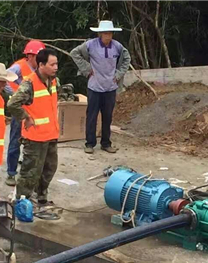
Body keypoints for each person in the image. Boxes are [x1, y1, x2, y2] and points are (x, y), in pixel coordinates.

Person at [7, 49, 59, 206]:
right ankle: (21, 202)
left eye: (57, 64)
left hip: (50, 134)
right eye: (52, 64)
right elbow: (12, 104)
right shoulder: (29, 83)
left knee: (49, 168)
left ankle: (41, 196)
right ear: (41, 65)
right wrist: (26, 117)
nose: (56, 67)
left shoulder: (54, 80)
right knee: (30, 172)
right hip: (35, 137)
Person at [70, 20, 130, 154]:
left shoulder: (117, 47)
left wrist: (119, 74)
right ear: (100, 34)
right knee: (92, 116)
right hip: (94, 86)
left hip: (110, 87)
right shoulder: (90, 45)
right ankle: (89, 143)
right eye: (105, 33)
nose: (108, 36)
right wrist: (86, 69)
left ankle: (106, 143)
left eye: (110, 33)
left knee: (107, 116)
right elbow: (74, 53)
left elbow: (127, 59)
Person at [4, 40, 46, 187]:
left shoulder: (41, 69)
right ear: (29, 55)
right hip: (20, 111)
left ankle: (30, 174)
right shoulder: (19, 67)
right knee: (15, 141)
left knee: (34, 143)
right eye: (37, 56)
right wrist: (18, 95)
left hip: (35, 112)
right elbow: (5, 80)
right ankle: (11, 173)